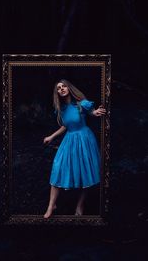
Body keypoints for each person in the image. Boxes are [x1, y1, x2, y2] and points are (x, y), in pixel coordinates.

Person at [43, 79, 106, 218]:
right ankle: (51, 205)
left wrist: (96, 112)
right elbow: (66, 126)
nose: (62, 89)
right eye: (59, 88)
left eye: (64, 86)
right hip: (69, 140)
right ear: (57, 93)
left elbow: (91, 113)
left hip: (84, 139)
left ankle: (80, 204)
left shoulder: (80, 104)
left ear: (69, 88)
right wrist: (51, 137)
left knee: (85, 171)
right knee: (58, 167)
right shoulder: (62, 109)